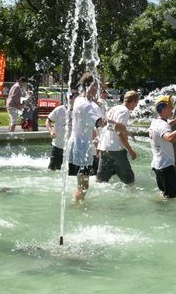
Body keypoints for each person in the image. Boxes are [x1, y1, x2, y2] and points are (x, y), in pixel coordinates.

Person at [68, 73, 105, 202]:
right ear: (89, 86)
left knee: (82, 184)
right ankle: (77, 206)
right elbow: (99, 123)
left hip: (77, 145)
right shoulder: (86, 105)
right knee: (83, 185)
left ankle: (76, 203)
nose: (97, 89)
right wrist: (109, 121)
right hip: (82, 149)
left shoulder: (79, 99)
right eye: (95, 86)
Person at [148, 95, 176, 199]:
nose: (172, 109)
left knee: (164, 194)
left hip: (157, 165)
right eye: (170, 107)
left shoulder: (155, 122)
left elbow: (162, 128)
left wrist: (175, 120)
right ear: (164, 109)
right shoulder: (163, 125)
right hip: (166, 166)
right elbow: (170, 138)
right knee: (171, 198)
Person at [97, 90, 140, 185]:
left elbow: (109, 126)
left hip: (105, 147)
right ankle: (129, 199)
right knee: (129, 181)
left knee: (101, 181)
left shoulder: (114, 108)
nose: (136, 105)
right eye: (136, 102)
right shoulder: (125, 112)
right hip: (117, 150)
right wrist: (130, 151)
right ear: (132, 101)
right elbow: (119, 132)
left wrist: (128, 133)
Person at [45, 91, 77, 171]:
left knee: (71, 173)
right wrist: (51, 131)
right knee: (52, 171)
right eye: (76, 98)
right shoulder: (60, 109)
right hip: (58, 145)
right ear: (70, 98)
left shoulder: (78, 111)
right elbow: (48, 121)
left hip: (72, 147)